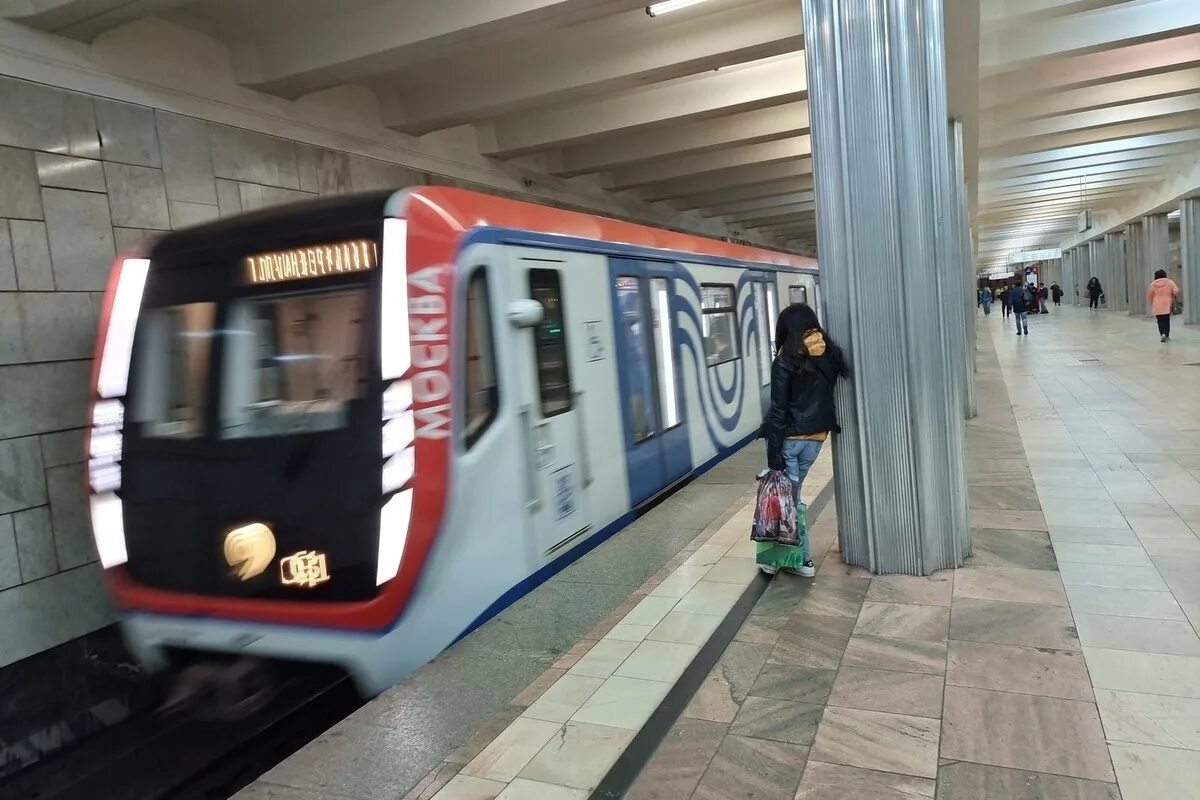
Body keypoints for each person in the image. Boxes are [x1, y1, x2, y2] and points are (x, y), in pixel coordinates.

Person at [762, 303, 847, 578]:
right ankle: (776, 557)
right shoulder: (828, 352)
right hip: (816, 439)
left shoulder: (786, 360)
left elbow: (778, 410)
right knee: (786, 497)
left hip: (790, 439)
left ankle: (802, 560)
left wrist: (773, 454)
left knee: (790, 500)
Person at [1147, 269, 1181, 342]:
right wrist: (1172, 295)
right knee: (1166, 320)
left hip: (1157, 304)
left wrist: (1151, 301)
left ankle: (1162, 333)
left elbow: (1150, 295)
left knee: (1160, 320)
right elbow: (1176, 291)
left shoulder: (1153, 284)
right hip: (1167, 303)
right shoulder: (1170, 282)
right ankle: (1167, 334)